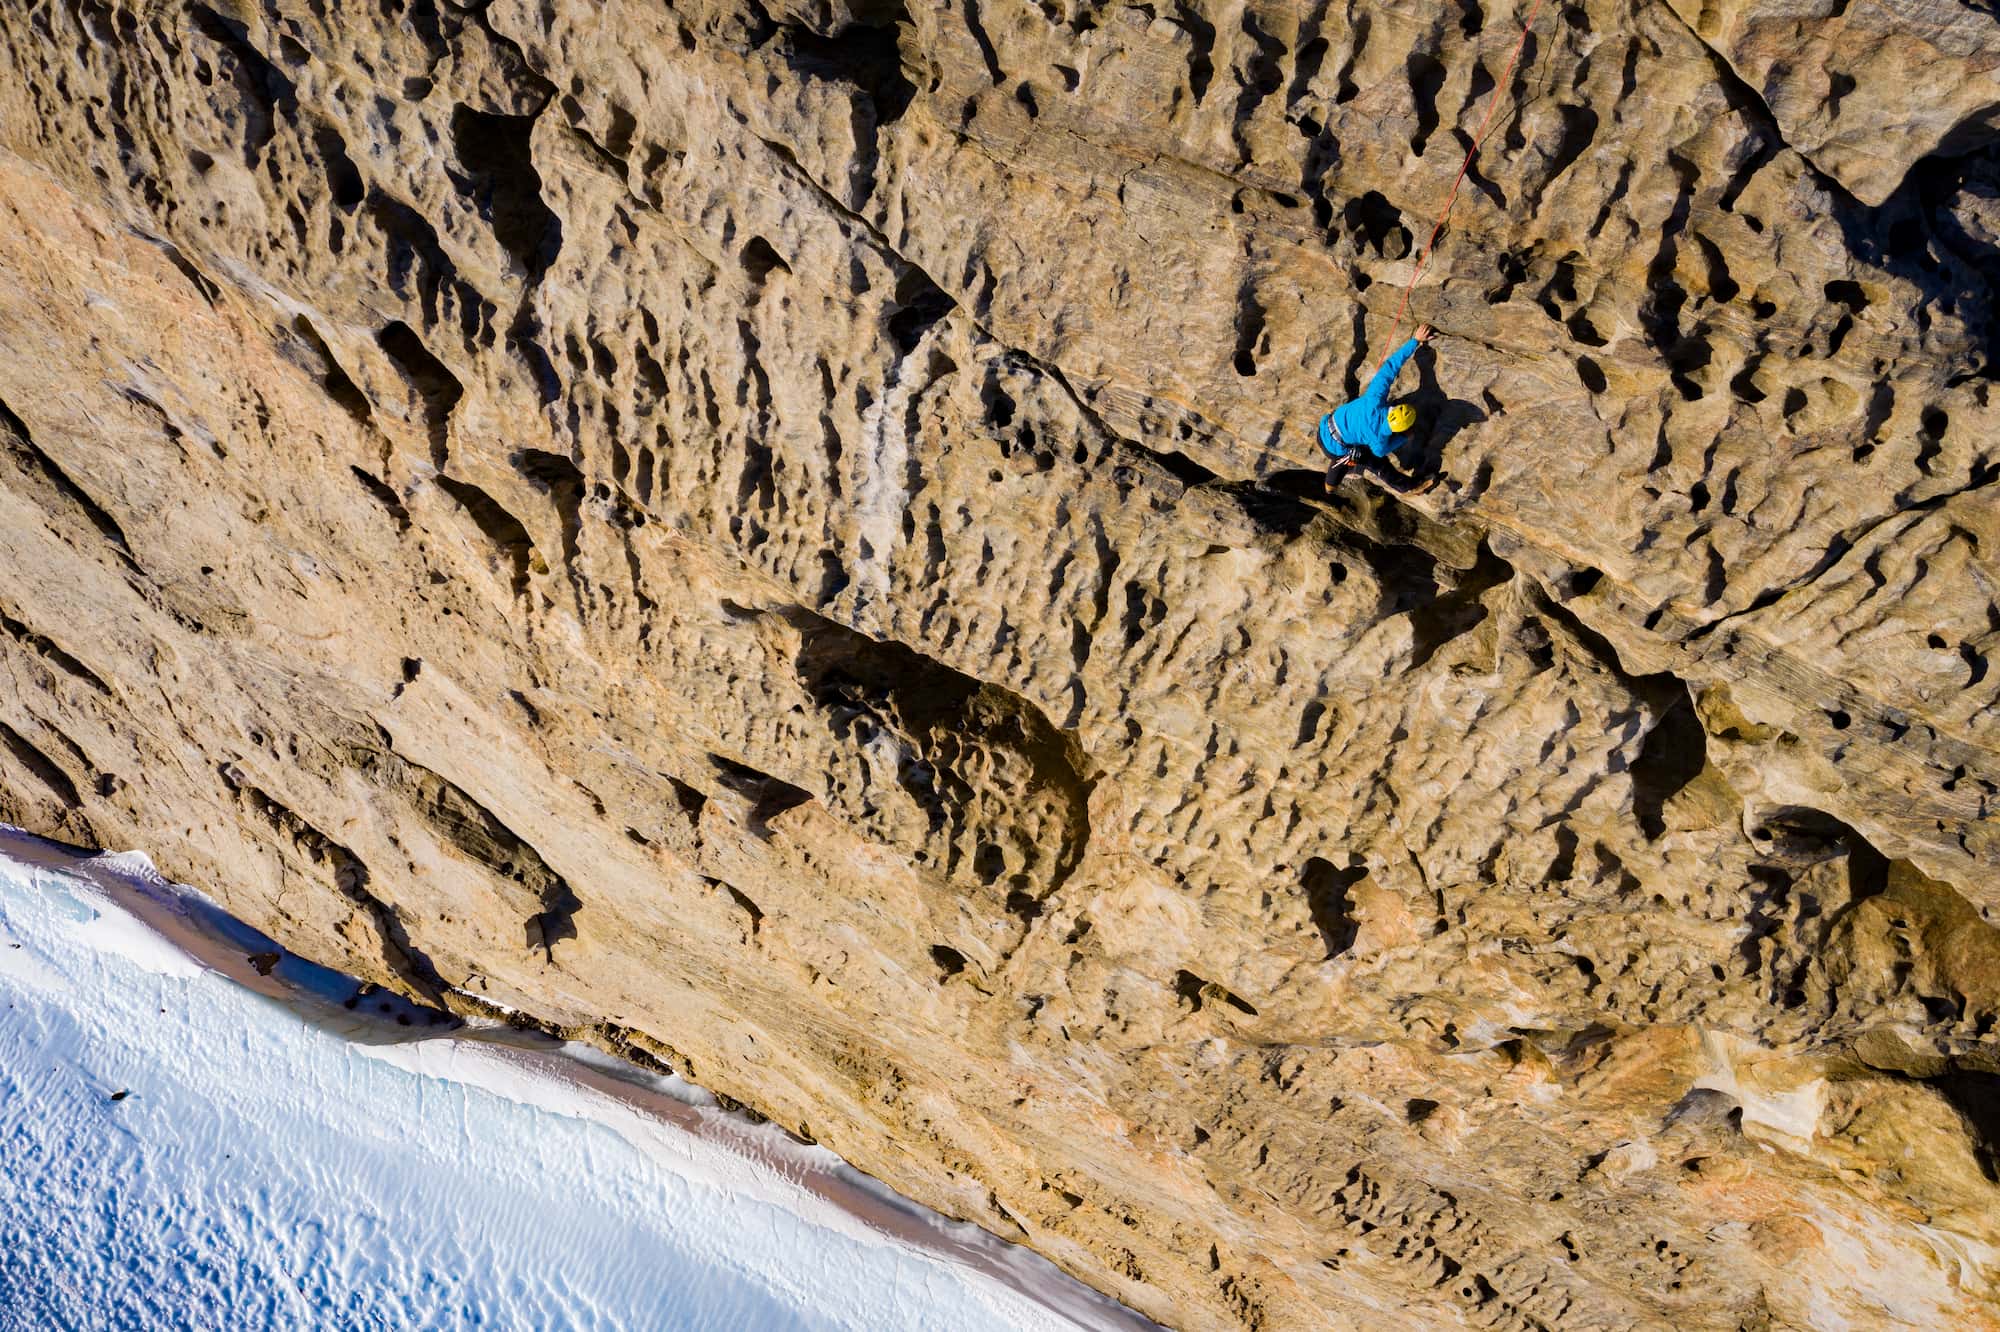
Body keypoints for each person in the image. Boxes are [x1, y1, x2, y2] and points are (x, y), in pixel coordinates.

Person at [1317, 323, 1433, 484]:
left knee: (1354, 449)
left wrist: (1415, 341)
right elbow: (1380, 452)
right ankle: (1408, 487)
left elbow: (1390, 367)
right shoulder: (1377, 437)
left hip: (1325, 427)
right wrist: (1403, 438)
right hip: (1335, 449)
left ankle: (1344, 473)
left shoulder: (1375, 399)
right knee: (1377, 463)